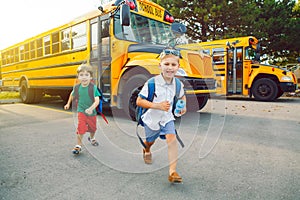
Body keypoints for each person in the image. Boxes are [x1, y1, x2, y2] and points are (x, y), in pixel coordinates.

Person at [136, 48, 187, 183]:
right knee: (150, 141)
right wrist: (157, 106)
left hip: (167, 118)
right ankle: (146, 149)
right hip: (152, 119)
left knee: (172, 140)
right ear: (160, 66)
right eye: (166, 64)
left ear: (178, 67)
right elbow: (139, 101)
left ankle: (172, 172)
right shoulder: (152, 83)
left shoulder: (177, 83)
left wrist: (183, 106)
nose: (170, 68)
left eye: (173, 65)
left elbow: (182, 96)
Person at [64, 64, 101, 154]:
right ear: (78, 77)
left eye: (86, 75)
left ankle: (92, 138)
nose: (84, 77)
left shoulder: (93, 88)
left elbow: (97, 101)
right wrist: (68, 103)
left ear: (91, 77)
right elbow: (72, 95)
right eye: (81, 75)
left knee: (93, 128)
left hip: (91, 112)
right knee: (81, 127)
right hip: (81, 111)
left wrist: (91, 108)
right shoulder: (77, 87)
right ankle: (78, 146)